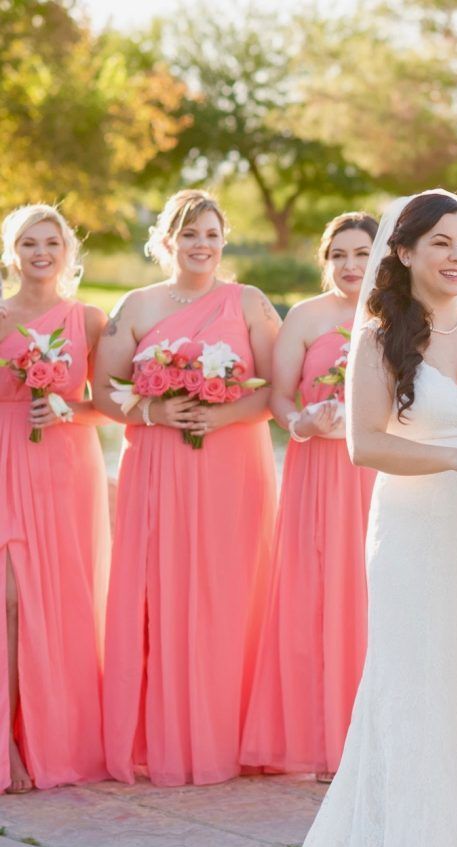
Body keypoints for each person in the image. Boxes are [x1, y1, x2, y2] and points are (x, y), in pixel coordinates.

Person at [106, 189, 457, 847]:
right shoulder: (378, 339)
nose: (455, 257)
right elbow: (365, 446)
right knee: (410, 694)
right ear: (403, 253)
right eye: (439, 243)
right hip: (413, 534)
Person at [94, 190, 278, 787]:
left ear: (224, 240)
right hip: (158, 467)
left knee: (227, 592)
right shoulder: (137, 305)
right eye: (189, 233)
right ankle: (169, 738)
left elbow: (276, 389)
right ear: (167, 241)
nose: (202, 245)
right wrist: (154, 414)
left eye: (212, 233)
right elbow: (104, 393)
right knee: (164, 590)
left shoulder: (250, 302)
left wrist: (219, 416)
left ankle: (228, 736)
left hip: (231, 466)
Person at [241, 212, 378, 783]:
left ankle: (376, 738)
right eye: (338, 254)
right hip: (317, 468)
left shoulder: (399, 315)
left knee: (373, 592)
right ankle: (322, 742)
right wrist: (302, 423)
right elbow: (277, 398)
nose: (349, 266)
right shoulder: (304, 316)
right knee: (316, 592)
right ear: (325, 260)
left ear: (382, 257)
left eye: (361, 253)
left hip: (379, 470)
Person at [0, 204, 110, 794]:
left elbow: (111, 405)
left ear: (67, 250)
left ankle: (50, 740)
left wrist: (66, 409)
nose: (40, 253)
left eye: (50, 242)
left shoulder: (88, 319)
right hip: (5, 459)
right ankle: (10, 746)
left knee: (59, 600)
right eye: (27, 243)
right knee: (10, 601)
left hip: (66, 466)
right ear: (11, 253)